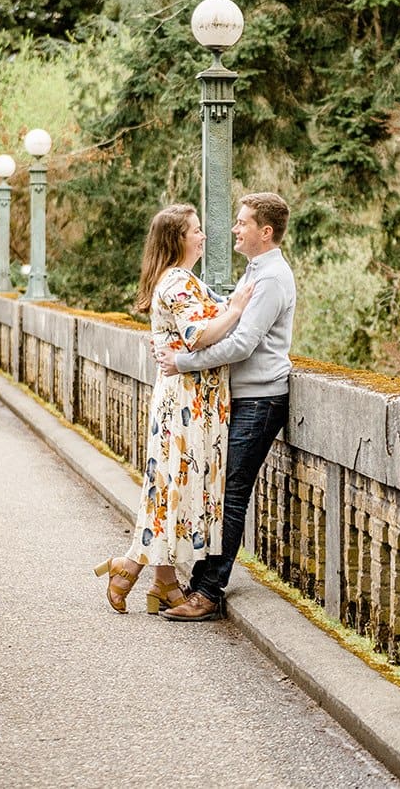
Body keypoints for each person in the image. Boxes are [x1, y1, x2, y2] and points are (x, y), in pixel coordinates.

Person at [94, 204, 255, 614]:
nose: (203, 236)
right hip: (186, 399)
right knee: (174, 488)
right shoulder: (177, 282)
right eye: (196, 230)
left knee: (171, 487)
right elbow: (199, 335)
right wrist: (236, 311)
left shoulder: (181, 280)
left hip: (189, 396)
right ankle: (128, 566)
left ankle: (162, 582)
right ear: (178, 239)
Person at [154, 192, 295, 623]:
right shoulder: (257, 270)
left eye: (242, 222)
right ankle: (201, 581)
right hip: (244, 398)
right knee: (220, 491)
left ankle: (207, 592)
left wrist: (183, 362)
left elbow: (241, 343)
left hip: (261, 399)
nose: (234, 229)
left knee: (231, 495)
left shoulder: (272, 277)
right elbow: (220, 314)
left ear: (264, 232)